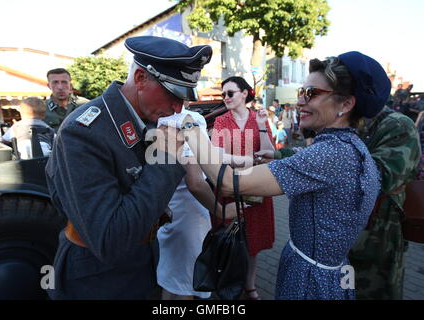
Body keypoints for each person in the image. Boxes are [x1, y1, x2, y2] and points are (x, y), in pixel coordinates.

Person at [172, 51, 387, 299]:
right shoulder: (351, 147)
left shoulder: (331, 154)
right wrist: (275, 156)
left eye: (312, 93)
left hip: (310, 280)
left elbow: (230, 183)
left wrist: (191, 127)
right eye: (300, 92)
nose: (300, 102)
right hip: (331, 272)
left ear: (346, 104)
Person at [45, 35, 212, 299]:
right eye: (172, 93)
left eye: (184, 97)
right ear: (141, 78)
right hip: (97, 278)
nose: (178, 107)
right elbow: (109, 240)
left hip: (141, 263)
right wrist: (167, 162)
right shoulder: (84, 131)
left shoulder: (152, 119)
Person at [156, 108, 236, 300]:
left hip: (169, 211)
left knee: (171, 281)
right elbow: (196, 183)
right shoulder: (189, 119)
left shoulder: (159, 119)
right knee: (188, 285)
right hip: (190, 215)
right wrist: (221, 211)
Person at [211, 76, 275, 300]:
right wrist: (250, 160)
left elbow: (271, 154)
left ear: (245, 93)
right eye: (224, 94)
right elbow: (216, 156)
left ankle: (250, 285)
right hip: (231, 189)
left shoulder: (259, 118)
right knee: (230, 241)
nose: (225, 98)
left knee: (253, 244)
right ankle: (228, 283)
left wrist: (261, 127)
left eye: (230, 93)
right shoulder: (221, 121)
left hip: (257, 190)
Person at [348, 105, 421, 297]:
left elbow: (380, 176)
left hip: (379, 235)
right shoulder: (348, 121)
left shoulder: (398, 125)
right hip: (348, 235)